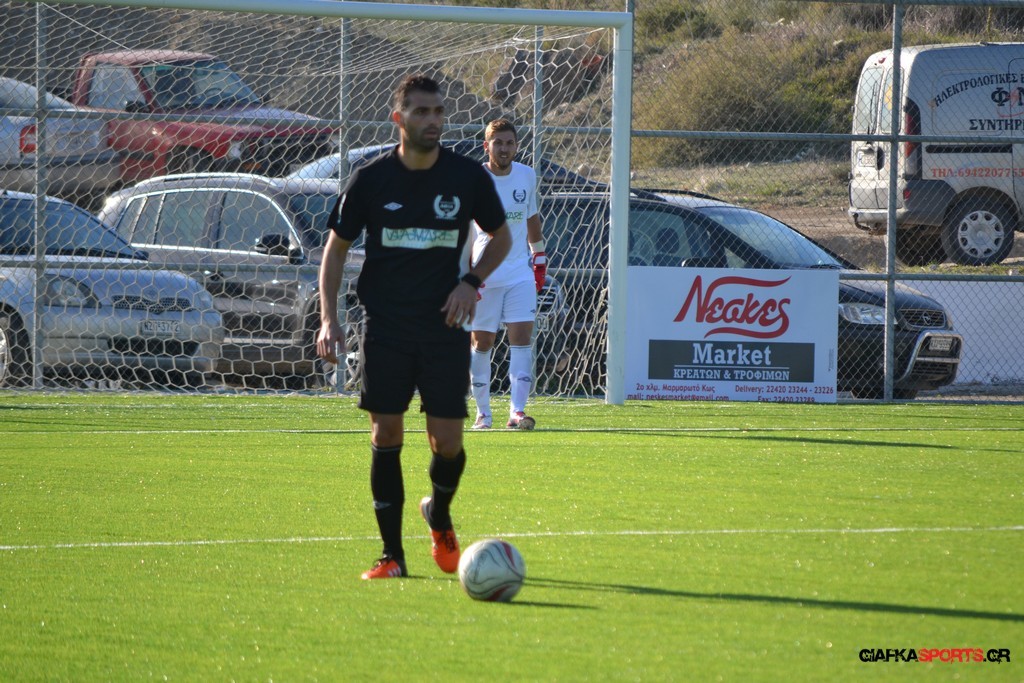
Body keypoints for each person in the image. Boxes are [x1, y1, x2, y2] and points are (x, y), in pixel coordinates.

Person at [316, 74, 512, 580]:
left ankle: (438, 514)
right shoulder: (370, 179)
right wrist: (329, 318)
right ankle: (391, 556)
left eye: (439, 111)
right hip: (385, 327)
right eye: (422, 112)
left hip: (445, 327)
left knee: (448, 443)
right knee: (385, 432)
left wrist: (470, 281)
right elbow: (335, 250)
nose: (433, 120)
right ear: (398, 118)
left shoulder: (466, 177)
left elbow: (502, 237)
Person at [469, 119, 547, 431]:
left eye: (509, 143)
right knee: (482, 342)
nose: (504, 148)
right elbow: (463, 230)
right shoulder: (474, 178)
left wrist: (539, 259)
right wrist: (467, 276)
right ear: (486, 146)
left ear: (516, 146)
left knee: (522, 338)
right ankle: (483, 413)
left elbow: (532, 218)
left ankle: (517, 412)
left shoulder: (526, 175)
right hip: (484, 274)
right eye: (497, 142)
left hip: (519, 274)